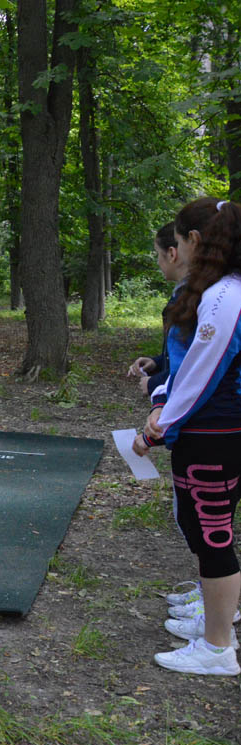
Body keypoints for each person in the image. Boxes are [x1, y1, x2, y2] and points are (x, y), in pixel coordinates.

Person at [133, 198, 241, 676]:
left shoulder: (222, 297)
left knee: (212, 534)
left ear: (194, 242)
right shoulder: (221, 290)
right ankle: (217, 623)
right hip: (213, 430)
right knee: (207, 530)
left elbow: (200, 373)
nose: (172, 252)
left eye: (175, 243)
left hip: (214, 433)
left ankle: (219, 647)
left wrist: (159, 426)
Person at [127, 222, 187, 394]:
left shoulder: (196, 300)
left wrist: (155, 384)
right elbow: (183, 351)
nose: (158, 261)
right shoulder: (182, 294)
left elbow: (195, 366)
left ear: (172, 253)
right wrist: (157, 363)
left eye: (157, 254)